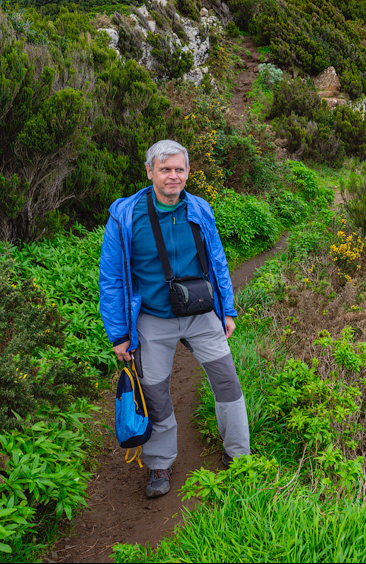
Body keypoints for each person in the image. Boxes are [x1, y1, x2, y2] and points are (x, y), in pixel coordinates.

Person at [98, 139, 249, 498]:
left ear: (188, 172)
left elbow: (218, 260)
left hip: (201, 313)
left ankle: (240, 456)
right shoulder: (125, 217)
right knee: (155, 394)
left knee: (227, 383)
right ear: (149, 171)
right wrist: (119, 334)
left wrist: (227, 309)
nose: (173, 176)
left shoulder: (199, 209)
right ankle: (159, 463)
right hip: (153, 319)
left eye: (179, 169)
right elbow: (112, 279)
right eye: (165, 169)